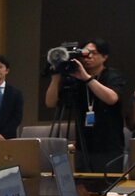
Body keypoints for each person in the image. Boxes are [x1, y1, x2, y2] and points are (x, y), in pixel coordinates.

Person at [44, 40, 127, 172]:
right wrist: (56, 78)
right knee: (82, 189)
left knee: (108, 191)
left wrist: (87, 78)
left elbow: (111, 98)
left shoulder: (113, 76)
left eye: (94, 53)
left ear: (105, 57)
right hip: (83, 148)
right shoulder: (75, 78)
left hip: (109, 147)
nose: (88, 57)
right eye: (86, 53)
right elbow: (50, 102)